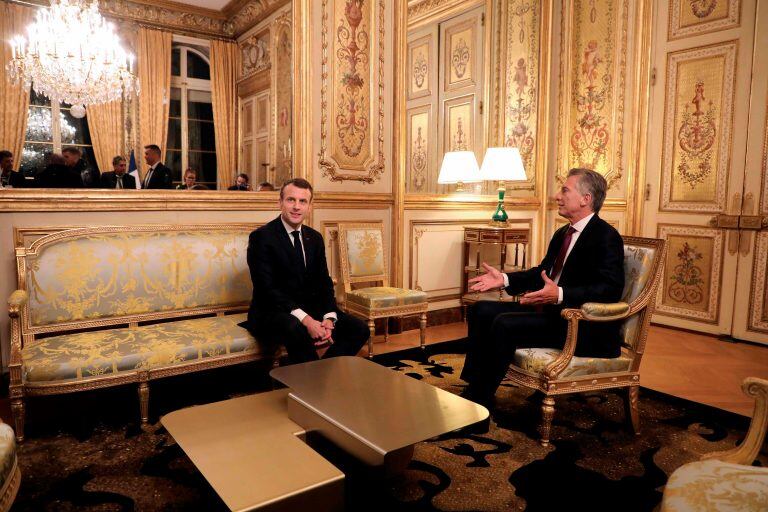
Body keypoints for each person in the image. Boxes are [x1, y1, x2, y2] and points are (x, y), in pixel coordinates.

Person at [460, 168, 625, 406]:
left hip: (581, 325)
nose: (557, 196)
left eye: (565, 190)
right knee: (480, 310)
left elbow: (610, 289)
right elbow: (543, 274)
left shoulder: (606, 236)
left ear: (585, 199)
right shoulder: (563, 233)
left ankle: (478, 402)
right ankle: (474, 384)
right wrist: (505, 280)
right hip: (552, 315)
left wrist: (559, 294)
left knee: (504, 324)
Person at [244, 178, 369, 364]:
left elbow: (324, 281)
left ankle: (322, 373)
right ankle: (314, 384)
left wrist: (329, 317)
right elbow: (267, 290)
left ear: (309, 207)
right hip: (271, 311)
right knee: (295, 327)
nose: (296, 206)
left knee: (359, 329)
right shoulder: (262, 237)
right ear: (280, 203)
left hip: (309, 308)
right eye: (290, 200)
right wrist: (308, 321)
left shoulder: (315, 238)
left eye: (302, 201)